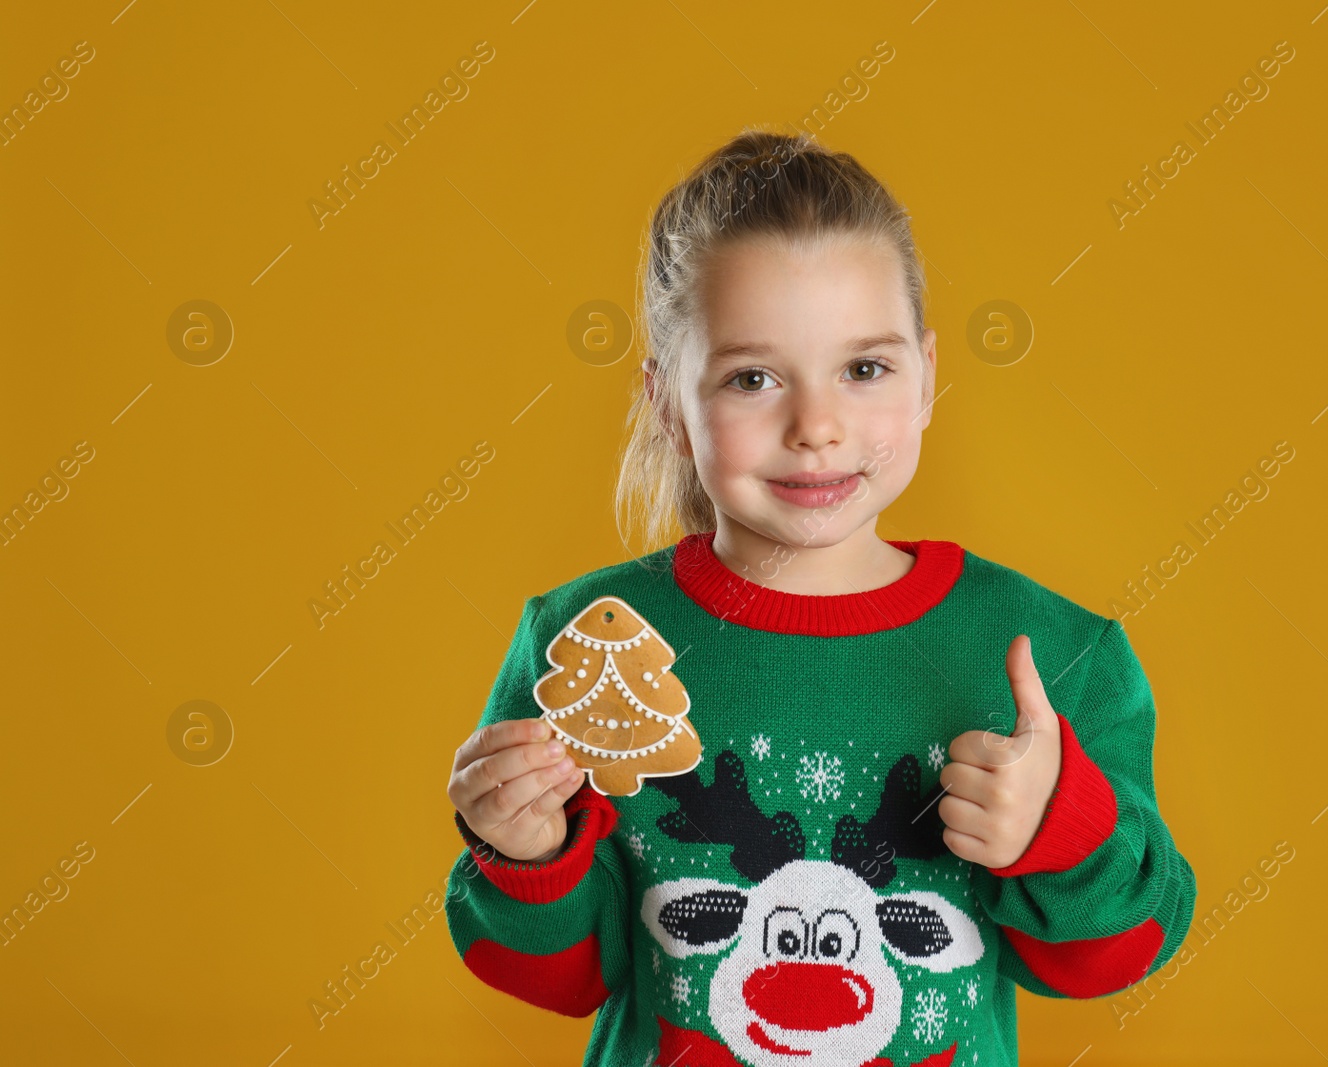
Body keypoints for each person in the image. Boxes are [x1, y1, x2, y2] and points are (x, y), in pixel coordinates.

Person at [443, 127, 1196, 1067]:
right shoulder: (580, 648)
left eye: (864, 368)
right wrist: (524, 854)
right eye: (753, 378)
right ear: (669, 405)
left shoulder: (1055, 653)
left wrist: (1058, 828)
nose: (817, 427)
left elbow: (1121, 954)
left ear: (926, 377)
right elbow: (557, 979)